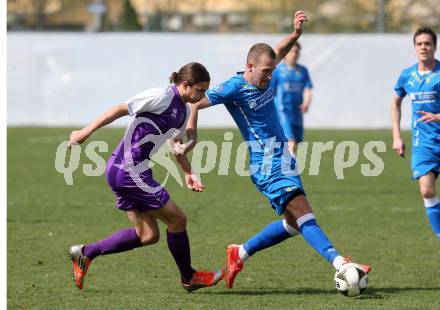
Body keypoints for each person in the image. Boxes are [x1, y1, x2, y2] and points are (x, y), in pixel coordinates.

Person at [189, 11, 371, 289]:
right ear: (249, 66)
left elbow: (279, 51)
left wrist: (296, 34)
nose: (270, 76)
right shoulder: (233, 88)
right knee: (304, 213)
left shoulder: (266, 73)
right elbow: (194, 103)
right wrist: (191, 135)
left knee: (295, 223)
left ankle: (241, 252)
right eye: (265, 71)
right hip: (266, 165)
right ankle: (341, 264)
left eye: (272, 70)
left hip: (282, 159)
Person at [68, 62, 224, 292]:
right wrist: (85, 131)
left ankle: (85, 253)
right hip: (128, 170)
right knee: (178, 220)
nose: (202, 95)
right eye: (200, 90)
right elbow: (121, 108)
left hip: (129, 170)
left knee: (148, 235)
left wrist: (189, 173)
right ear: (184, 84)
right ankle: (188, 277)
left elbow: (176, 148)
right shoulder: (161, 95)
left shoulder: (182, 112)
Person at [391, 27, 440, 240]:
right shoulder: (407, 75)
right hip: (424, 144)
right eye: (419, 44)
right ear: (414, 47)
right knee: (427, 191)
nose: (423, 48)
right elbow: (395, 102)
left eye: (427, 43)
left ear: (435, 47)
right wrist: (397, 135)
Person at [271, 42, 313, 154]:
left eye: (296, 51)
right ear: (286, 53)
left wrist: (306, 104)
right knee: (291, 142)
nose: (294, 54)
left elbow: (308, 89)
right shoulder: (278, 71)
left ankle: (284, 167)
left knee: (294, 145)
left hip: (297, 113)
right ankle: (290, 170)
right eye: (291, 51)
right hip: (283, 112)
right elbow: (271, 92)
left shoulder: (303, 70)